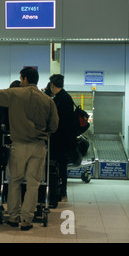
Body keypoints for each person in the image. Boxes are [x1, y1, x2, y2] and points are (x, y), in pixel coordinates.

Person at [0, 67, 59, 231]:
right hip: (39, 146)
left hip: (19, 144)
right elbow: (54, 125)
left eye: (21, 78)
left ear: (25, 79)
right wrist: (44, 133)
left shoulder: (15, 94)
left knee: (15, 181)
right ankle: (27, 219)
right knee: (34, 184)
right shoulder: (48, 100)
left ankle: (13, 216)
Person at [49, 74, 76, 203]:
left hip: (60, 140)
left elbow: (57, 121)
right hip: (65, 139)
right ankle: (61, 190)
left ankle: (60, 190)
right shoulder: (66, 97)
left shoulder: (60, 99)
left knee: (59, 165)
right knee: (61, 166)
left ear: (52, 85)